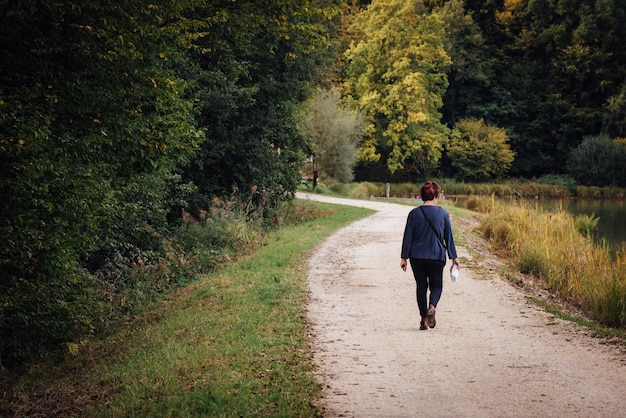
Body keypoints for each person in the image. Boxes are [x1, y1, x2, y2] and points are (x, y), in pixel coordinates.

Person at [401, 181, 460, 330]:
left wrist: (404, 257)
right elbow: (449, 237)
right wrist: (454, 257)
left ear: (422, 196)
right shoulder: (442, 213)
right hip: (436, 256)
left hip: (417, 256)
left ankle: (423, 319)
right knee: (437, 285)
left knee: (421, 286)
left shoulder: (414, 214)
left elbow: (408, 236)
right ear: (435, 195)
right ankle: (432, 306)